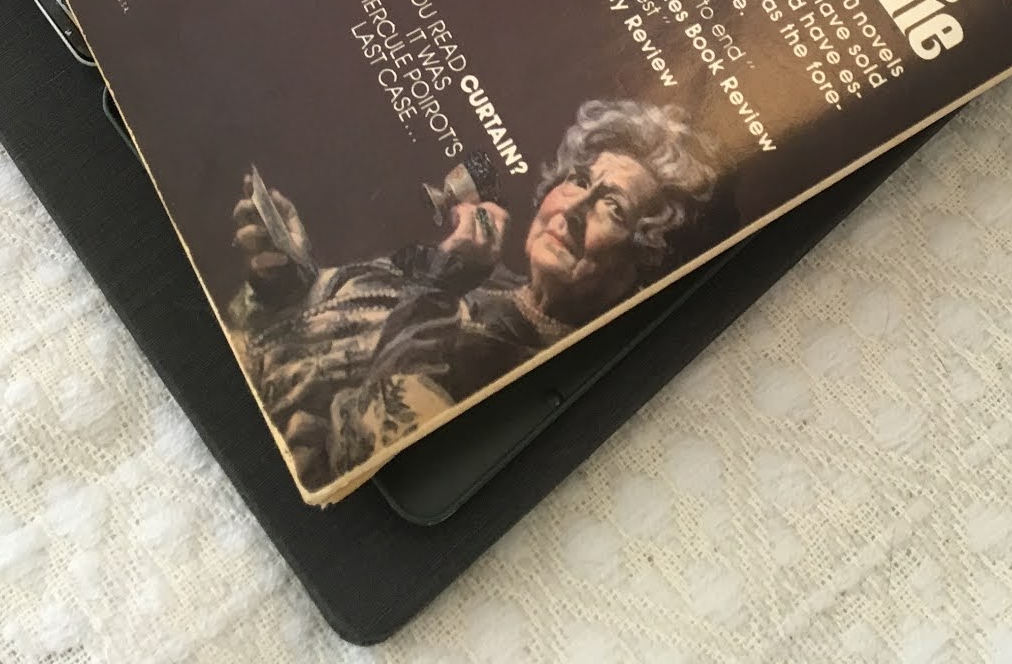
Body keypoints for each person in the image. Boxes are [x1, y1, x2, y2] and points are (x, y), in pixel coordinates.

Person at [227, 99, 725, 491]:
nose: (574, 210)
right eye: (578, 180)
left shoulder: (537, 373)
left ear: (645, 261)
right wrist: (283, 276)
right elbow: (318, 326)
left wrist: (441, 284)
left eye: (613, 208)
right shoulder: (486, 279)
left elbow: (372, 446)